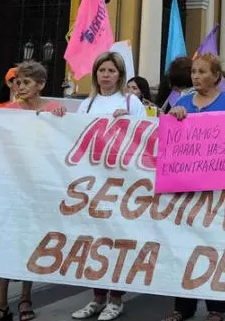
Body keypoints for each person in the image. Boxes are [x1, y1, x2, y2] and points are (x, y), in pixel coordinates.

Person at [161, 54, 225, 321]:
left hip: (218, 187)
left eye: (202, 72)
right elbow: (165, 136)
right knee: (184, 245)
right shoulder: (183, 101)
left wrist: (224, 124)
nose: (196, 76)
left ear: (216, 76)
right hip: (185, 187)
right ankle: (182, 307)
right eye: (194, 72)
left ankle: (216, 308)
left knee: (215, 245)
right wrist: (175, 116)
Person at [0, 62, 66, 321]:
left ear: (40, 85)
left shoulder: (53, 110)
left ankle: (25, 298)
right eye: (17, 82)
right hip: (10, 185)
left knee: (31, 241)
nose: (20, 87)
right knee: (5, 241)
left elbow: (63, 140)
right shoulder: (4, 111)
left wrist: (64, 119)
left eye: (26, 82)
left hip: (38, 187)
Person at [71, 52, 145, 321]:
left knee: (116, 240)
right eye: (102, 70)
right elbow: (73, 135)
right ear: (95, 74)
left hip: (120, 181)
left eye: (111, 70)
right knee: (94, 241)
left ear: (120, 74)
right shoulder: (87, 104)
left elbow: (145, 135)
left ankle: (116, 298)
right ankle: (97, 298)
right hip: (92, 183)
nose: (106, 75)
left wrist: (128, 120)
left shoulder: (131, 101)